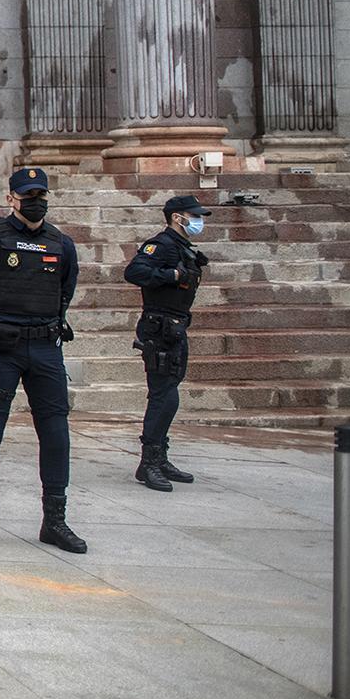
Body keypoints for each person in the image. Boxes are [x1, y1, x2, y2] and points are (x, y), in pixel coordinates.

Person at [0, 166, 85, 555]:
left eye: (40, 194)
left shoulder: (61, 243)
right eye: (27, 195)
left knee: (56, 432)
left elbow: (66, 289)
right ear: (11, 198)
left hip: (45, 347)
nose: (35, 200)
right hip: (1, 347)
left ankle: (54, 521)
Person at [124, 195, 210, 492]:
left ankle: (160, 458)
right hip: (159, 328)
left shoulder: (182, 247)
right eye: (194, 215)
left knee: (168, 393)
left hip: (175, 327)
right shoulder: (161, 245)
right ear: (177, 217)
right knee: (164, 396)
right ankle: (148, 462)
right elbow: (133, 271)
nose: (199, 221)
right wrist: (171, 274)